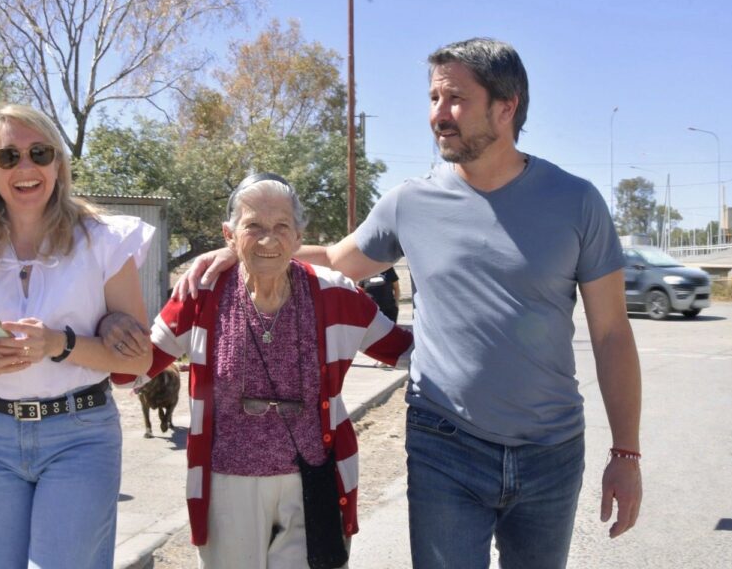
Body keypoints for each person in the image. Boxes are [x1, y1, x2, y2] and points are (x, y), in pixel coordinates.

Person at [178, 38, 643, 568]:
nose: (438, 115)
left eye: (455, 99)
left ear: (506, 106)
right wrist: (248, 248)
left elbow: (612, 334)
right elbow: (336, 258)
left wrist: (626, 452)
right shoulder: (410, 201)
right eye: (433, 98)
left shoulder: (577, 203)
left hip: (551, 453)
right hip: (444, 444)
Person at [102, 173, 413, 568]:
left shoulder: (336, 294)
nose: (269, 240)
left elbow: (408, 352)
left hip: (313, 484)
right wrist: (110, 324)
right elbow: (130, 372)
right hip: (227, 488)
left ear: (298, 238)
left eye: (282, 226)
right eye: (253, 226)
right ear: (229, 235)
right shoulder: (201, 294)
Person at [0, 104, 155, 568]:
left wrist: (58, 344)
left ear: (58, 165)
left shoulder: (105, 240)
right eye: (8, 157)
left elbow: (137, 361)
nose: (26, 167)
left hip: (80, 436)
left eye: (39, 153)